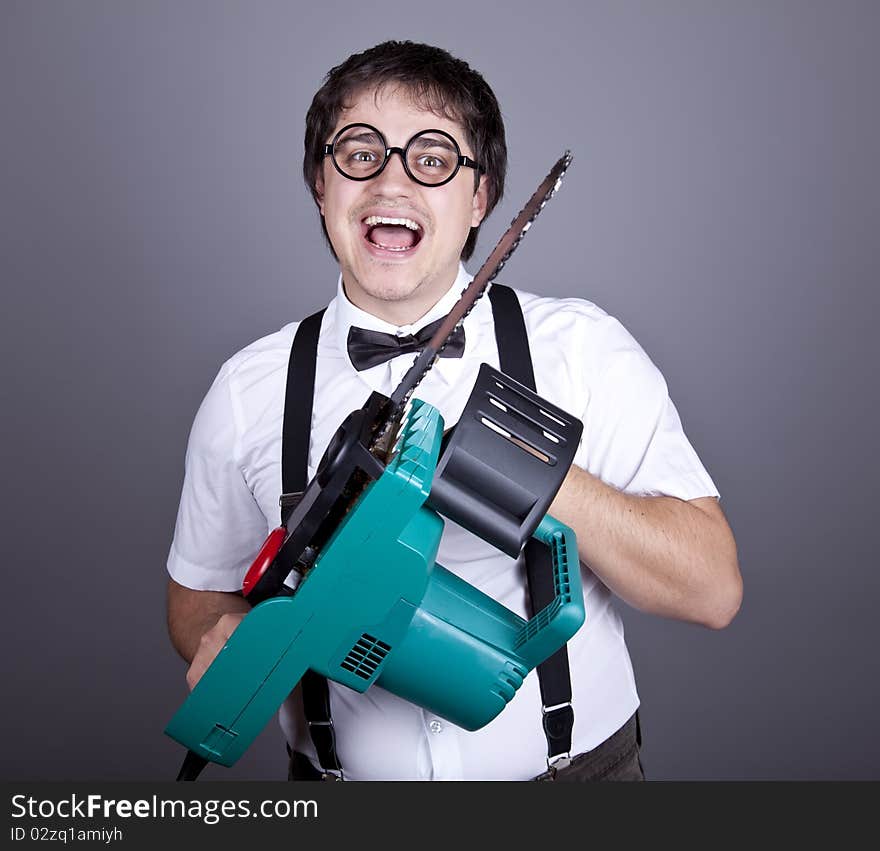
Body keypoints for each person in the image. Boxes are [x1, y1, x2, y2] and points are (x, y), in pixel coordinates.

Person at [166, 40, 742, 781]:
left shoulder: (583, 349)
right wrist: (228, 634)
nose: (390, 182)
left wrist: (536, 471)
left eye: (432, 158)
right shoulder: (248, 390)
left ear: (480, 198)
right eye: (359, 153)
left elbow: (712, 588)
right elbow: (196, 596)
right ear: (319, 183)